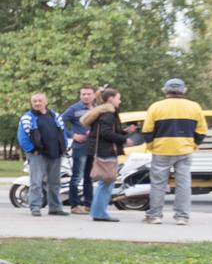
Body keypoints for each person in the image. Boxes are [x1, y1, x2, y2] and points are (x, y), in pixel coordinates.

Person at [140, 77, 207, 225]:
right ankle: (182, 217)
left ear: (165, 91)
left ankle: (154, 216)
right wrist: (193, 145)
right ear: (184, 90)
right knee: (183, 183)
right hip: (184, 150)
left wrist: (152, 146)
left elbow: (147, 130)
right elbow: (202, 131)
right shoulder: (194, 107)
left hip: (161, 149)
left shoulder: (156, 107)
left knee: (158, 184)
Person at [80, 86, 130, 222]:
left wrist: (124, 132)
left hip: (102, 151)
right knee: (107, 183)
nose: (120, 101)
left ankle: (98, 212)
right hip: (106, 151)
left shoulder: (103, 113)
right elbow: (105, 133)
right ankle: (100, 213)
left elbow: (105, 130)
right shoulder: (108, 114)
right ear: (111, 99)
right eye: (118, 98)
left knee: (105, 183)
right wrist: (124, 139)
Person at [17, 92, 68, 216]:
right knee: (36, 182)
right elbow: (22, 137)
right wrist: (31, 149)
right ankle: (35, 207)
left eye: (40, 101)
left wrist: (63, 147)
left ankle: (55, 207)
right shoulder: (27, 118)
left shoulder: (55, 116)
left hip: (55, 153)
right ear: (32, 103)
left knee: (55, 183)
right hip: (37, 154)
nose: (37, 103)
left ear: (46, 102)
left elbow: (63, 131)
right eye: (35, 101)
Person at [59, 84, 97, 214]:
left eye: (88, 94)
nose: (86, 96)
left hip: (93, 147)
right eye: (83, 94)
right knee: (77, 177)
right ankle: (74, 205)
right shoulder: (74, 109)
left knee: (89, 177)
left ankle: (89, 205)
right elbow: (59, 122)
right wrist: (73, 135)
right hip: (80, 147)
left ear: (94, 95)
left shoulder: (97, 108)